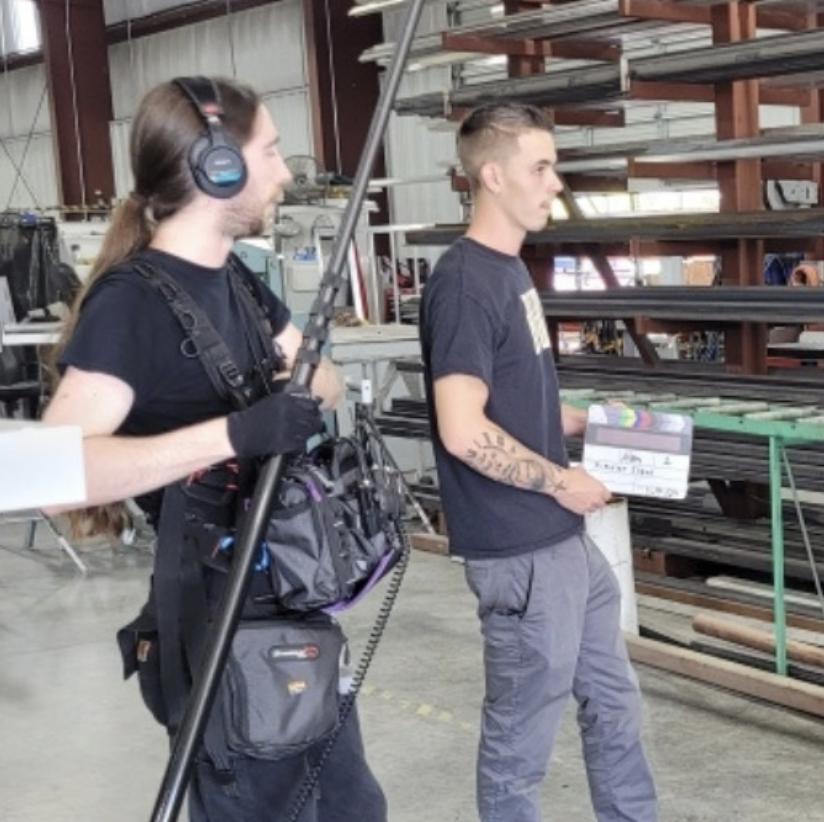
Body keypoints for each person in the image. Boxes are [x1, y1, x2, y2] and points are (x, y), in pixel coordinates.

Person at [43, 77, 380, 820]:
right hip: (223, 634)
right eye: (273, 152)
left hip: (287, 610)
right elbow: (55, 476)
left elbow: (319, 372)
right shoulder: (133, 303)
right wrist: (236, 432)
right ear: (217, 167)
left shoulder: (236, 279)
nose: (287, 173)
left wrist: (305, 391)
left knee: (351, 810)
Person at [420, 102, 656, 822]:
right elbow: (462, 430)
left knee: (615, 706)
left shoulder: (509, 271)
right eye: (541, 167)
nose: (556, 182)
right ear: (493, 175)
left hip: (559, 540)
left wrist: (587, 423)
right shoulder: (463, 283)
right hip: (520, 546)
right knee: (522, 739)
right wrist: (561, 478)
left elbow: (509, 403)